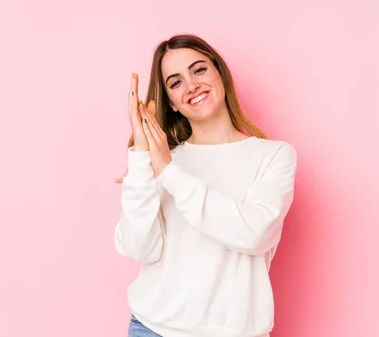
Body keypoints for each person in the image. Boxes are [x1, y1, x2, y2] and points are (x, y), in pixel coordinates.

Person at [113, 34, 297, 337]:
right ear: (170, 103)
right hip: (152, 329)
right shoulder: (159, 160)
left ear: (219, 73)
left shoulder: (274, 156)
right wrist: (143, 161)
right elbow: (139, 248)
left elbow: (255, 235)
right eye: (175, 82)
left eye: (198, 70)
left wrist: (169, 172)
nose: (191, 85)